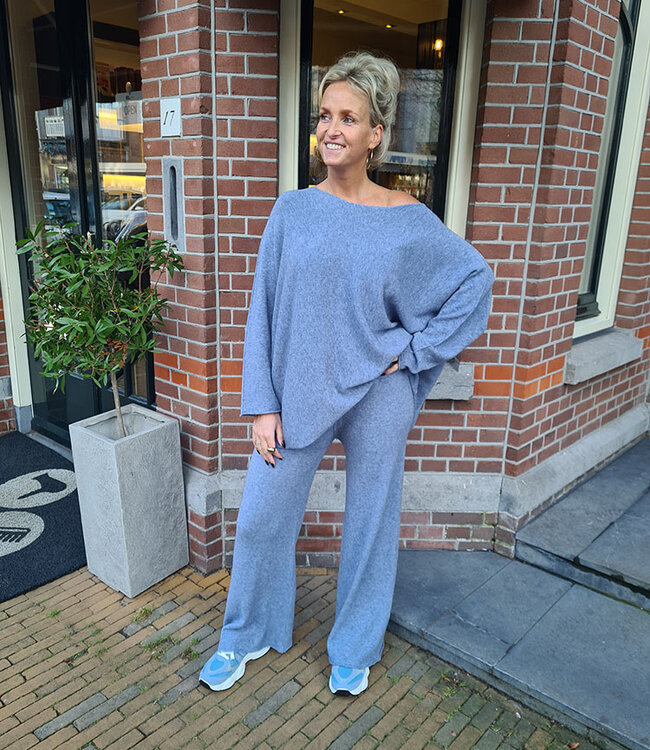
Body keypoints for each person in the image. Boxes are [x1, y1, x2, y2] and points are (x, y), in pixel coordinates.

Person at [199, 51, 494, 697]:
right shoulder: (292, 211)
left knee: (370, 523)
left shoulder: (408, 219)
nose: (331, 129)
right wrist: (262, 405)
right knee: (259, 520)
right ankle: (245, 633)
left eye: (348, 118)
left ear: (375, 134)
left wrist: (414, 351)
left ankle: (354, 646)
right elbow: (262, 311)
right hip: (297, 393)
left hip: (379, 393)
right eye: (324, 115)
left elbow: (475, 280)